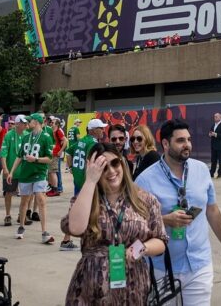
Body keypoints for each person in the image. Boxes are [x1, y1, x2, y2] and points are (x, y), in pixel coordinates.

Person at [136, 118, 221, 305]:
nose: (187, 145)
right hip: (162, 268)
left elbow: (212, 210)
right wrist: (164, 219)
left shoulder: (201, 171)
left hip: (199, 264)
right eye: (180, 140)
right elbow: (135, 222)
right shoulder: (145, 180)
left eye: (188, 140)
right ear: (165, 144)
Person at [61, 143, 168, 304]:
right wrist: (90, 181)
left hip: (133, 284)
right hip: (91, 285)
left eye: (115, 163)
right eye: (103, 167)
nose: (111, 171)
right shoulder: (86, 198)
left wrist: (140, 249)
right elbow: (75, 228)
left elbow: (160, 240)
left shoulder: (145, 200)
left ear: (122, 163)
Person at [61, 118, 106, 251]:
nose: (103, 130)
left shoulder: (81, 141)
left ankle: (68, 239)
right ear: (93, 130)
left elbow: (68, 152)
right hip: (87, 182)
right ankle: (75, 239)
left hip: (78, 180)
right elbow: (91, 162)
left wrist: (71, 169)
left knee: (77, 208)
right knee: (91, 210)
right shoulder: (92, 143)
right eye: (100, 128)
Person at [12, 112, 55, 244]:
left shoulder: (46, 138)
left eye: (29, 121)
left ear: (35, 122)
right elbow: (19, 156)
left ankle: (44, 232)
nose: (27, 123)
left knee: (41, 199)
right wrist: (12, 172)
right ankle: (21, 226)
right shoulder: (26, 138)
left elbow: (49, 158)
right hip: (25, 174)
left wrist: (35, 159)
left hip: (39, 173)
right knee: (24, 201)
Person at [0, 115, 28, 226]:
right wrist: (5, 169)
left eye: (26, 123)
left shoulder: (27, 135)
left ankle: (22, 215)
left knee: (26, 194)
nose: (25, 125)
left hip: (24, 171)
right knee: (8, 193)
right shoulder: (8, 135)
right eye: (23, 123)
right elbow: (3, 153)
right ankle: (7, 215)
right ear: (17, 124)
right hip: (11, 170)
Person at [47, 115, 66, 196]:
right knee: (51, 172)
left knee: (53, 172)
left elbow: (65, 141)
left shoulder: (58, 131)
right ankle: (52, 188)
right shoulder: (53, 131)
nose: (51, 123)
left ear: (57, 124)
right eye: (51, 122)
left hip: (56, 154)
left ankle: (56, 190)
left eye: (53, 122)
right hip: (53, 153)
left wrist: (60, 151)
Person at [208, 113, 221, 178]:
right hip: (214, 146)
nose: (215, 118)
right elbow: (210, 132)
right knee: (213, 160)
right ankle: (211, 173)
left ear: (220, 117)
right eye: (214, 116)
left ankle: (220, 174)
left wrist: (215, 134)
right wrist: (210, 134)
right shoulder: (213, 125)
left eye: (216, 116)